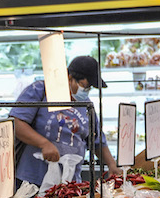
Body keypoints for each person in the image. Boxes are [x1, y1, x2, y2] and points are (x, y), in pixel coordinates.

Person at [9, 55, 117, 188]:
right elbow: (16, 123)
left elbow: (97, 141)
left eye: (89, 88)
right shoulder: (40, 91)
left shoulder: (86, 105)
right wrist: (44, 144)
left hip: (69, 185)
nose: (86, 91)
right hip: (32, 183)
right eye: (84, 86)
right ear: (69, 77)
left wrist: (112, 165)